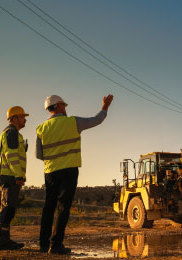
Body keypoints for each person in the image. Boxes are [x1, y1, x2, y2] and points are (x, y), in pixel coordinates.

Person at [36, 94, 113, 254]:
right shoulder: (72, 122)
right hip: (69, 170)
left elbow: (39, 154)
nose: (65, 108)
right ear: (57, 106)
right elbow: (96, 120)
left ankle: (43, 244)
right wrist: (105, 107)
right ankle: (56, 244)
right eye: (64, 105)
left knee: (48, 207)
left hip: (50, 171)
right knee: (63, 207)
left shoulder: (41, 129)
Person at [0, 106, 29, 251]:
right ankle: (0, 242)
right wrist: (18, 175)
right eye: (22, 117)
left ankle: (3, 240)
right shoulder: (11, 132)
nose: (25, 120)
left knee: (9, 208)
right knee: (7, 208)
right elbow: (11, 155)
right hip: (10, 176)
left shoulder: (14, 134)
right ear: (14, 118)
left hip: (10, 175)